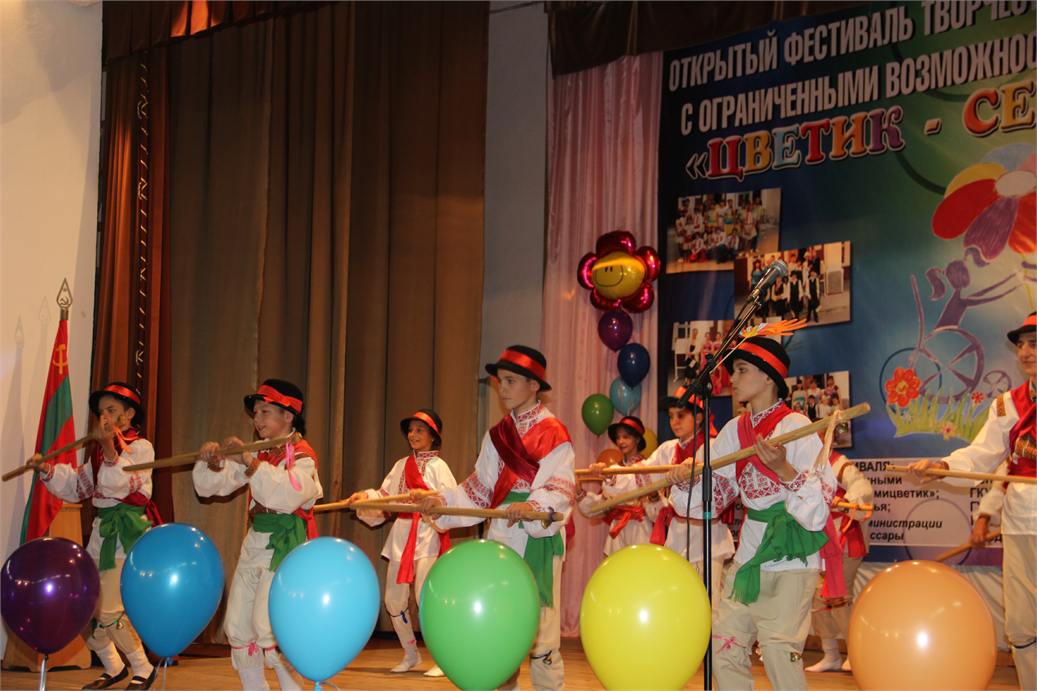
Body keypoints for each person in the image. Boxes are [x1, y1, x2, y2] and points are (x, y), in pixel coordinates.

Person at [667, 336, 839, 690]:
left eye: (742, 370)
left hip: (793, 554)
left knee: (779, 651)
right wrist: (689, 478)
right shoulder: (734, 430)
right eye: (733, 371)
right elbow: (714, 495)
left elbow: (819, 509)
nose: (732, 378)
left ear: (768, 377)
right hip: (749, 555)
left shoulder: (797, 427)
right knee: (724, 646)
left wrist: (784, 470)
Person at [419, 346, 574, 691]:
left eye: (511, 381)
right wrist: (443, 502)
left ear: (534, 385)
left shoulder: (553, 433)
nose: (502, 388)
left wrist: (534, 506)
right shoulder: (497, 434)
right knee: (501, 625)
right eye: (500, 381)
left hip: (537, 537)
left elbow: (560, 486)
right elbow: (479, 488)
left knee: (542, 631)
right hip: (502, 534)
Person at [908, 313, 1037, 690]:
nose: (1025, 352)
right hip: (1020, 527)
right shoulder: (1007, 405)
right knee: (1022, 624)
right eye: (1021, 345)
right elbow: (981, 455)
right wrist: (943, 466)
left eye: (1034, 344)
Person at [194, 379, 322, 691]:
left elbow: (289, 495)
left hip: (286, 544)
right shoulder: (260, 452)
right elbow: (211, 487)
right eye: (255, 413)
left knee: (270, 626)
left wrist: (249, 461)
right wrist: (213, 462)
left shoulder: (303, 455)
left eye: (265, 411)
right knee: (238, 623)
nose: (257, 419)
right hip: (255, 541)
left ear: (288, 416)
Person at [38, 382, 159, 690]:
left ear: (129, 415)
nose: (104, 417)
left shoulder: (141, 448)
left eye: (112, 410)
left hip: (127, 535)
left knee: (109, 609)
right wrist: (47, 470)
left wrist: (109, 449)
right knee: (82, 606)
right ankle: (113, 666)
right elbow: (79, 486)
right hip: (100, 535)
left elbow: (127, 485)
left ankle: (143, 667)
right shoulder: (98, 453)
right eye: (100, 412)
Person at [347, 409, 456, 676]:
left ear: (433, 436)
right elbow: (385, 496)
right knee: (393, 600)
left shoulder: (439, 467)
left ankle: (443, 659)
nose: (413, 435)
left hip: (428, 535)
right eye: (410, 430)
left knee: (427, 598)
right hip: (402, 536)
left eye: (420, 430)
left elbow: (450, 500)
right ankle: (411, 654)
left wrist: (428, 499)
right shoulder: (400, 465)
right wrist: (365, 497)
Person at [641, 387, 734, 605]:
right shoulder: (667, 449)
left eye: (681, 415)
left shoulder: (714, 447)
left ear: (699, 417)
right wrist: (609, 473)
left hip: (709, 536)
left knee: (709, 602)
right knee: (678, 601)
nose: (674, 421)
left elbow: (723, 488)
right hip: (676, 536)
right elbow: (641, 471)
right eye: (671, 416)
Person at [805, 445, 874, 673]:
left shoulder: (839, 464)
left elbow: (863, 487)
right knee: (818, 598)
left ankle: (856, 654)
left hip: (843, 538)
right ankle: (831, 655)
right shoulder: (806, 465)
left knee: (839, 597)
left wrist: (846, 500)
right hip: (820, 540)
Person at [576, 416, 655, 554]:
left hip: (640, 531)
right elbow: (601, 506)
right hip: (617, 534)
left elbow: (655, 508)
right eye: (618, 438)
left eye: (626, 437)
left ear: (637, 439)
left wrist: (609, 478)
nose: (621, 441)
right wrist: (580, 493)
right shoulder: (613, 470)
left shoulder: (647, 468)